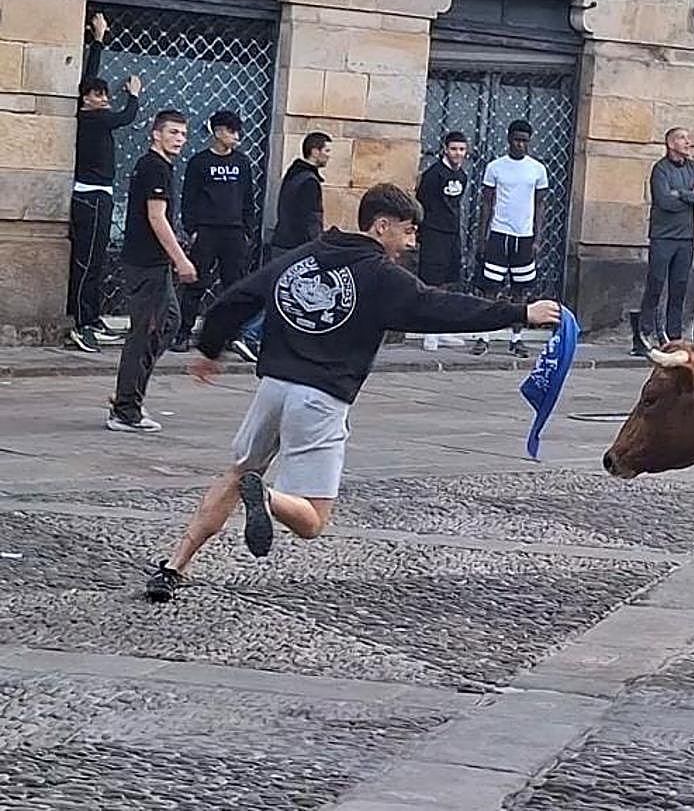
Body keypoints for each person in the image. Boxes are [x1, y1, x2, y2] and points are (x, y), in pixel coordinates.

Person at [143, 183, 562, 601]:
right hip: (320, 399)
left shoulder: (303, 256)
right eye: (407, 230)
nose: (411, 242)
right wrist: (520, 312)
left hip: (272, 389)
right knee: (311, 521)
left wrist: (211, 347)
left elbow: (241, 296)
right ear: (381, 226)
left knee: (235, 473)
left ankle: (174, 566)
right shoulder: (382, 277)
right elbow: (443, 308)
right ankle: (267, 496)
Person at [107, 110, 197, 433]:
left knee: (167, 323)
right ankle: (125, 408)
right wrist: (181, 260)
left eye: (183, 134)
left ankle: (129, 393)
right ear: (156, 134)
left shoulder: (161, 167)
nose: (179, 139)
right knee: (145, 332)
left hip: (153, 262)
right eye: (173, 133)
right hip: (146, 262)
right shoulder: (154, 168)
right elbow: (156, 218)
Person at [68, 12, 142, 353]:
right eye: (99, 95)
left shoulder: (90, 114)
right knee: (88, 262)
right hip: (92, 198)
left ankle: (91, 317)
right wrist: (134, 94)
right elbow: (127, 116)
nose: (104, 98)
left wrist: (98, 40)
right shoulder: (94, 119)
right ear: (87, 100)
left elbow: (89, 77)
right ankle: (82, 324)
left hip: (97, 197)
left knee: (94, 261)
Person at [237, 132, 332, 357]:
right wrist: (317, 246)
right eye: (327, 150)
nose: (329, 156)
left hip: (283, 241)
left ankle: (270, 338)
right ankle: (250, 334)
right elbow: (310, 219)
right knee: (287, 295)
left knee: (283, 292)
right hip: (296, 246)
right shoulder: (309, 182)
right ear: (315, 151)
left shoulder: (294, 174)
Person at [173, 111, 258, 359]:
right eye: (231, 131)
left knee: (235, 286)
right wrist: (193, 230)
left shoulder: (241, 163)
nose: (236, 137)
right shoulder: (200, 162)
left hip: (234, 231)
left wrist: (247, 230)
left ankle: (232, 335)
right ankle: (184, 332)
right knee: (195, 283)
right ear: (218, 132)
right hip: (207, 230)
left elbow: (247, 198)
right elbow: (189, 198)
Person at [473, 119, 549, 359]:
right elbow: (486, 202)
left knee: (520, 290)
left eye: (525, 141)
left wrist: (538, 237)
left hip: (524, 236)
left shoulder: (537, 169)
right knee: (490, 288)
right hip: (499, 233)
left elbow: (540, 205)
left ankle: (516, 339)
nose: (520, 145)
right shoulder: (495, 167)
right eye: (516, 140)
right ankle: (483, 336)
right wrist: (482, 236)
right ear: (508, 139)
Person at [638, 127, 694, 352]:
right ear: (670, 143)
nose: (688, 142)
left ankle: (674, 337)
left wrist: (681, 194)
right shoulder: (660, 170)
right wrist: (690, 195)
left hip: (686, 238)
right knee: (655, 285)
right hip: (663, 237)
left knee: (679, 288)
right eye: (682, 138)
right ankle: (644, 334)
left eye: (688, 138)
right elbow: (664, 201)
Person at [415, 131, 469, 351]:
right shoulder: (433, 175)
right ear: (445, 149)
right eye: (454, 149)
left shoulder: (462, 176)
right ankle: (428, 331)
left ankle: (442, 328)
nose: (458, 153)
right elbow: (422, 203)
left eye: (462, 149)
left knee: (448, 280)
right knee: (431, 281)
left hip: (452, 232)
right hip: (433, 232)